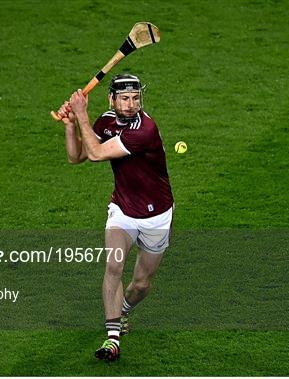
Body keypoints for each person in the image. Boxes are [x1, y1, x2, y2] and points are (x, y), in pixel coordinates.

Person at [57, 74, 174, 361]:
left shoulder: (144, 129)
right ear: (112, 99)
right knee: (113, 266)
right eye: (124, 98)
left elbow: (96, 154)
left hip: (156, 217)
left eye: (136, 98)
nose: (131, 104)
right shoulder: (107, 121)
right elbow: (77, 157)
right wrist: (72, 125)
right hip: (122, 210)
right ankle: (112, 339)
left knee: (141, 284)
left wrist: (81, 113)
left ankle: (122, 311)